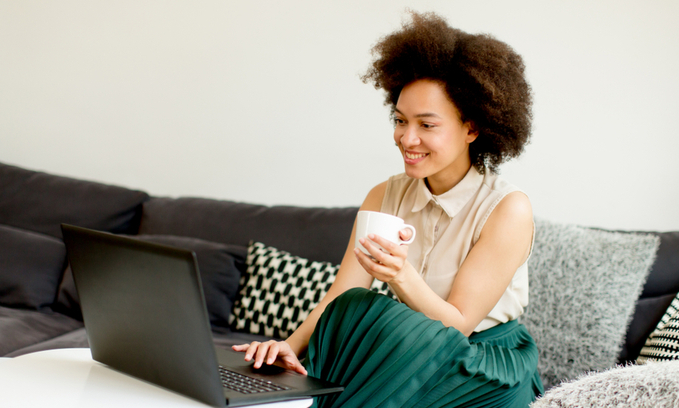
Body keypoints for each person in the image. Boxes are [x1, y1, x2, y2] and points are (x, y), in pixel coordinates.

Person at [233, 11, 543, 407]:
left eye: (427, 125)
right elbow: (342, 294)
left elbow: (461, 323)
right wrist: (289, 347)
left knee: (378, 317)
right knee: (354, 308)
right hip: (410, 347)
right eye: (400, 120)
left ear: (472, 127)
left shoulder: (507, 209)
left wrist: (401, 275)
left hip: (482, 361)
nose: (406, 138)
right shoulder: (386, 195)